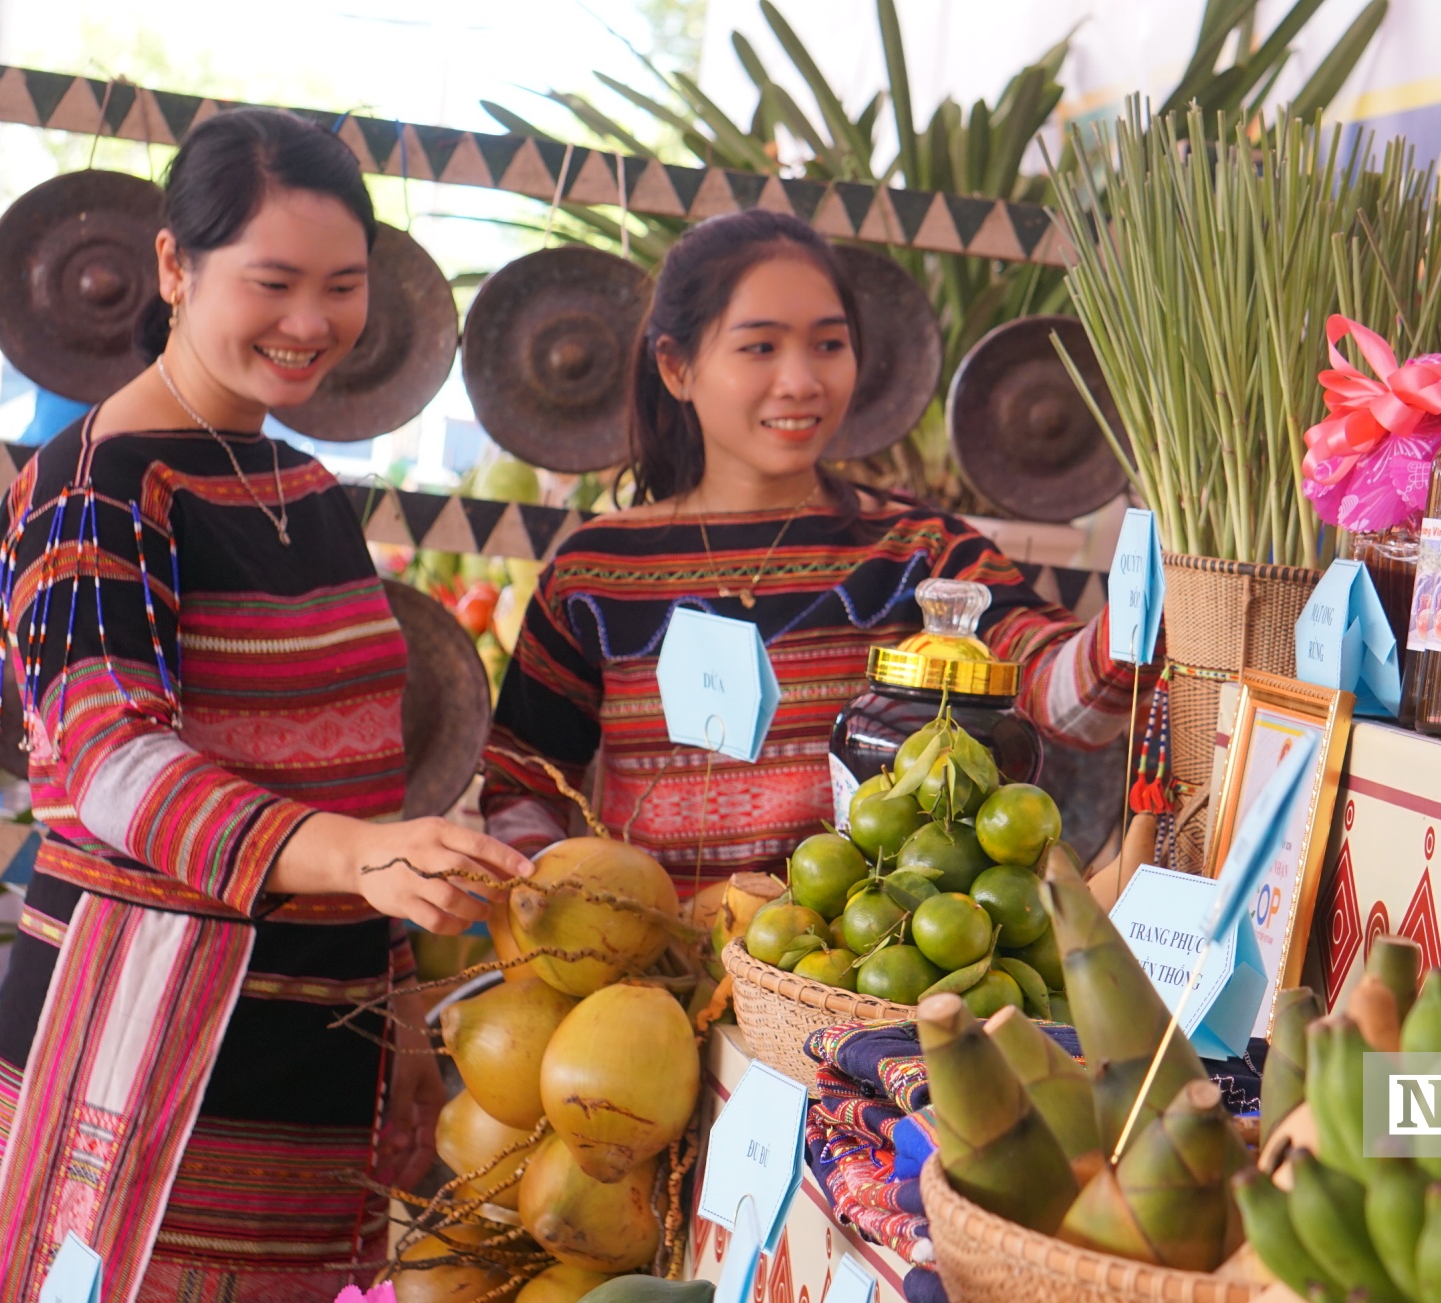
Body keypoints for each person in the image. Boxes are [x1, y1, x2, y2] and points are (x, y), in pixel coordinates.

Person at [0, 109, 529, 1303]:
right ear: (174, 268)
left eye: (341, 287)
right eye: (272, 283)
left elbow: (367, 775)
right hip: (139, 1027)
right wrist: (362, 858)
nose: (310, 323)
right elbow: (116, 767)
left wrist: (403, 1016)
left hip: (316, 1045)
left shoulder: (305, 489)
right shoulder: (95, 485)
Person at [482, 210, 1139, 901]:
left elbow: (1069, 703)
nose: (801, 381)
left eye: (829, 344)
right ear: (677, 367)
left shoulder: (917, 555)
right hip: (646, 981)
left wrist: (1143, 622)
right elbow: (522, 782)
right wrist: (557, 903)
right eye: (760, 348)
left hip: (849, 980)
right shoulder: (596, 575)